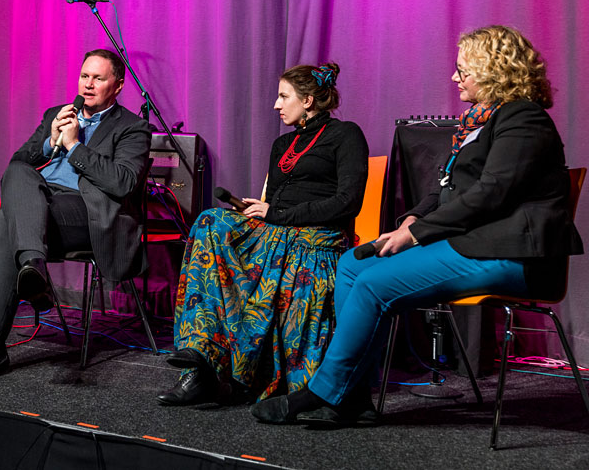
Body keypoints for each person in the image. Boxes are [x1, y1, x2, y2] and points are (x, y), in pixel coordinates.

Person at [252, 25, 584, 426]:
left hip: (512, 254)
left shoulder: (523, 119)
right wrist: (412, 216)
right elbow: (447, 186)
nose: (454, 77)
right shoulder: (479, 121)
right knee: (352, 265)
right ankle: (353, 397)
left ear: (493, 70)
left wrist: (416, 233)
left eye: (463, 70)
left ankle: (325, 391)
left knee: (376, 284)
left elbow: (491, 193)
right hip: (474, 243)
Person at [158, 62, 368, 406]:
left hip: (316, 234)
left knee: (268, 242)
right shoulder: (282, 143)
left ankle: (236, 371)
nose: (276, 104)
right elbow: (272, 202)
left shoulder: (345, 135)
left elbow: (348, 202)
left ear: (310, 99)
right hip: (274, 230)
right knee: (211, 223)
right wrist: (255, 210)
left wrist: (279, 215)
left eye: (284, 96)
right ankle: (200, 359)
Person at [0, 49, 151, 381]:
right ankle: (33, 266)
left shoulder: (132, 128)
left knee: (5, 221)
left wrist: (74, 147)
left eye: (98, 78)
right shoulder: (57, 114)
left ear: (118, 85)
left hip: (87, 213)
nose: (88, 85)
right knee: (16, 173)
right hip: (41, 206)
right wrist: (50, 141)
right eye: (84, 76)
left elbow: (123, 183)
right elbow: (20, 160)